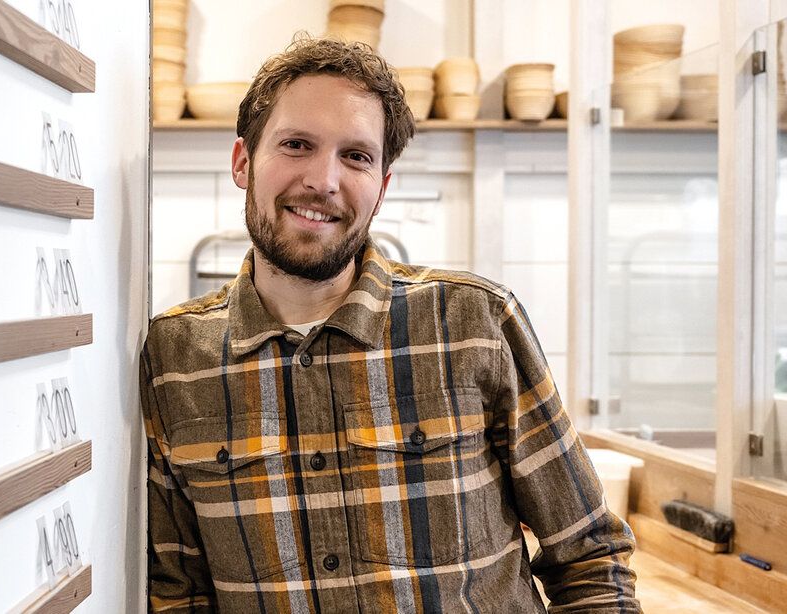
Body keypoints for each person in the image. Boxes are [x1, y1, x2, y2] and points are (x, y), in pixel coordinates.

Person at [140, 36, 639, 613]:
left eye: (356, 156)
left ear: (381, 188)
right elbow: (178, 595)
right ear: (243, 162)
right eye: (297, 144)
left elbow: (590, 560)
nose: (323, 179)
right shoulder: (174, 359)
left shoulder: (473, 323)